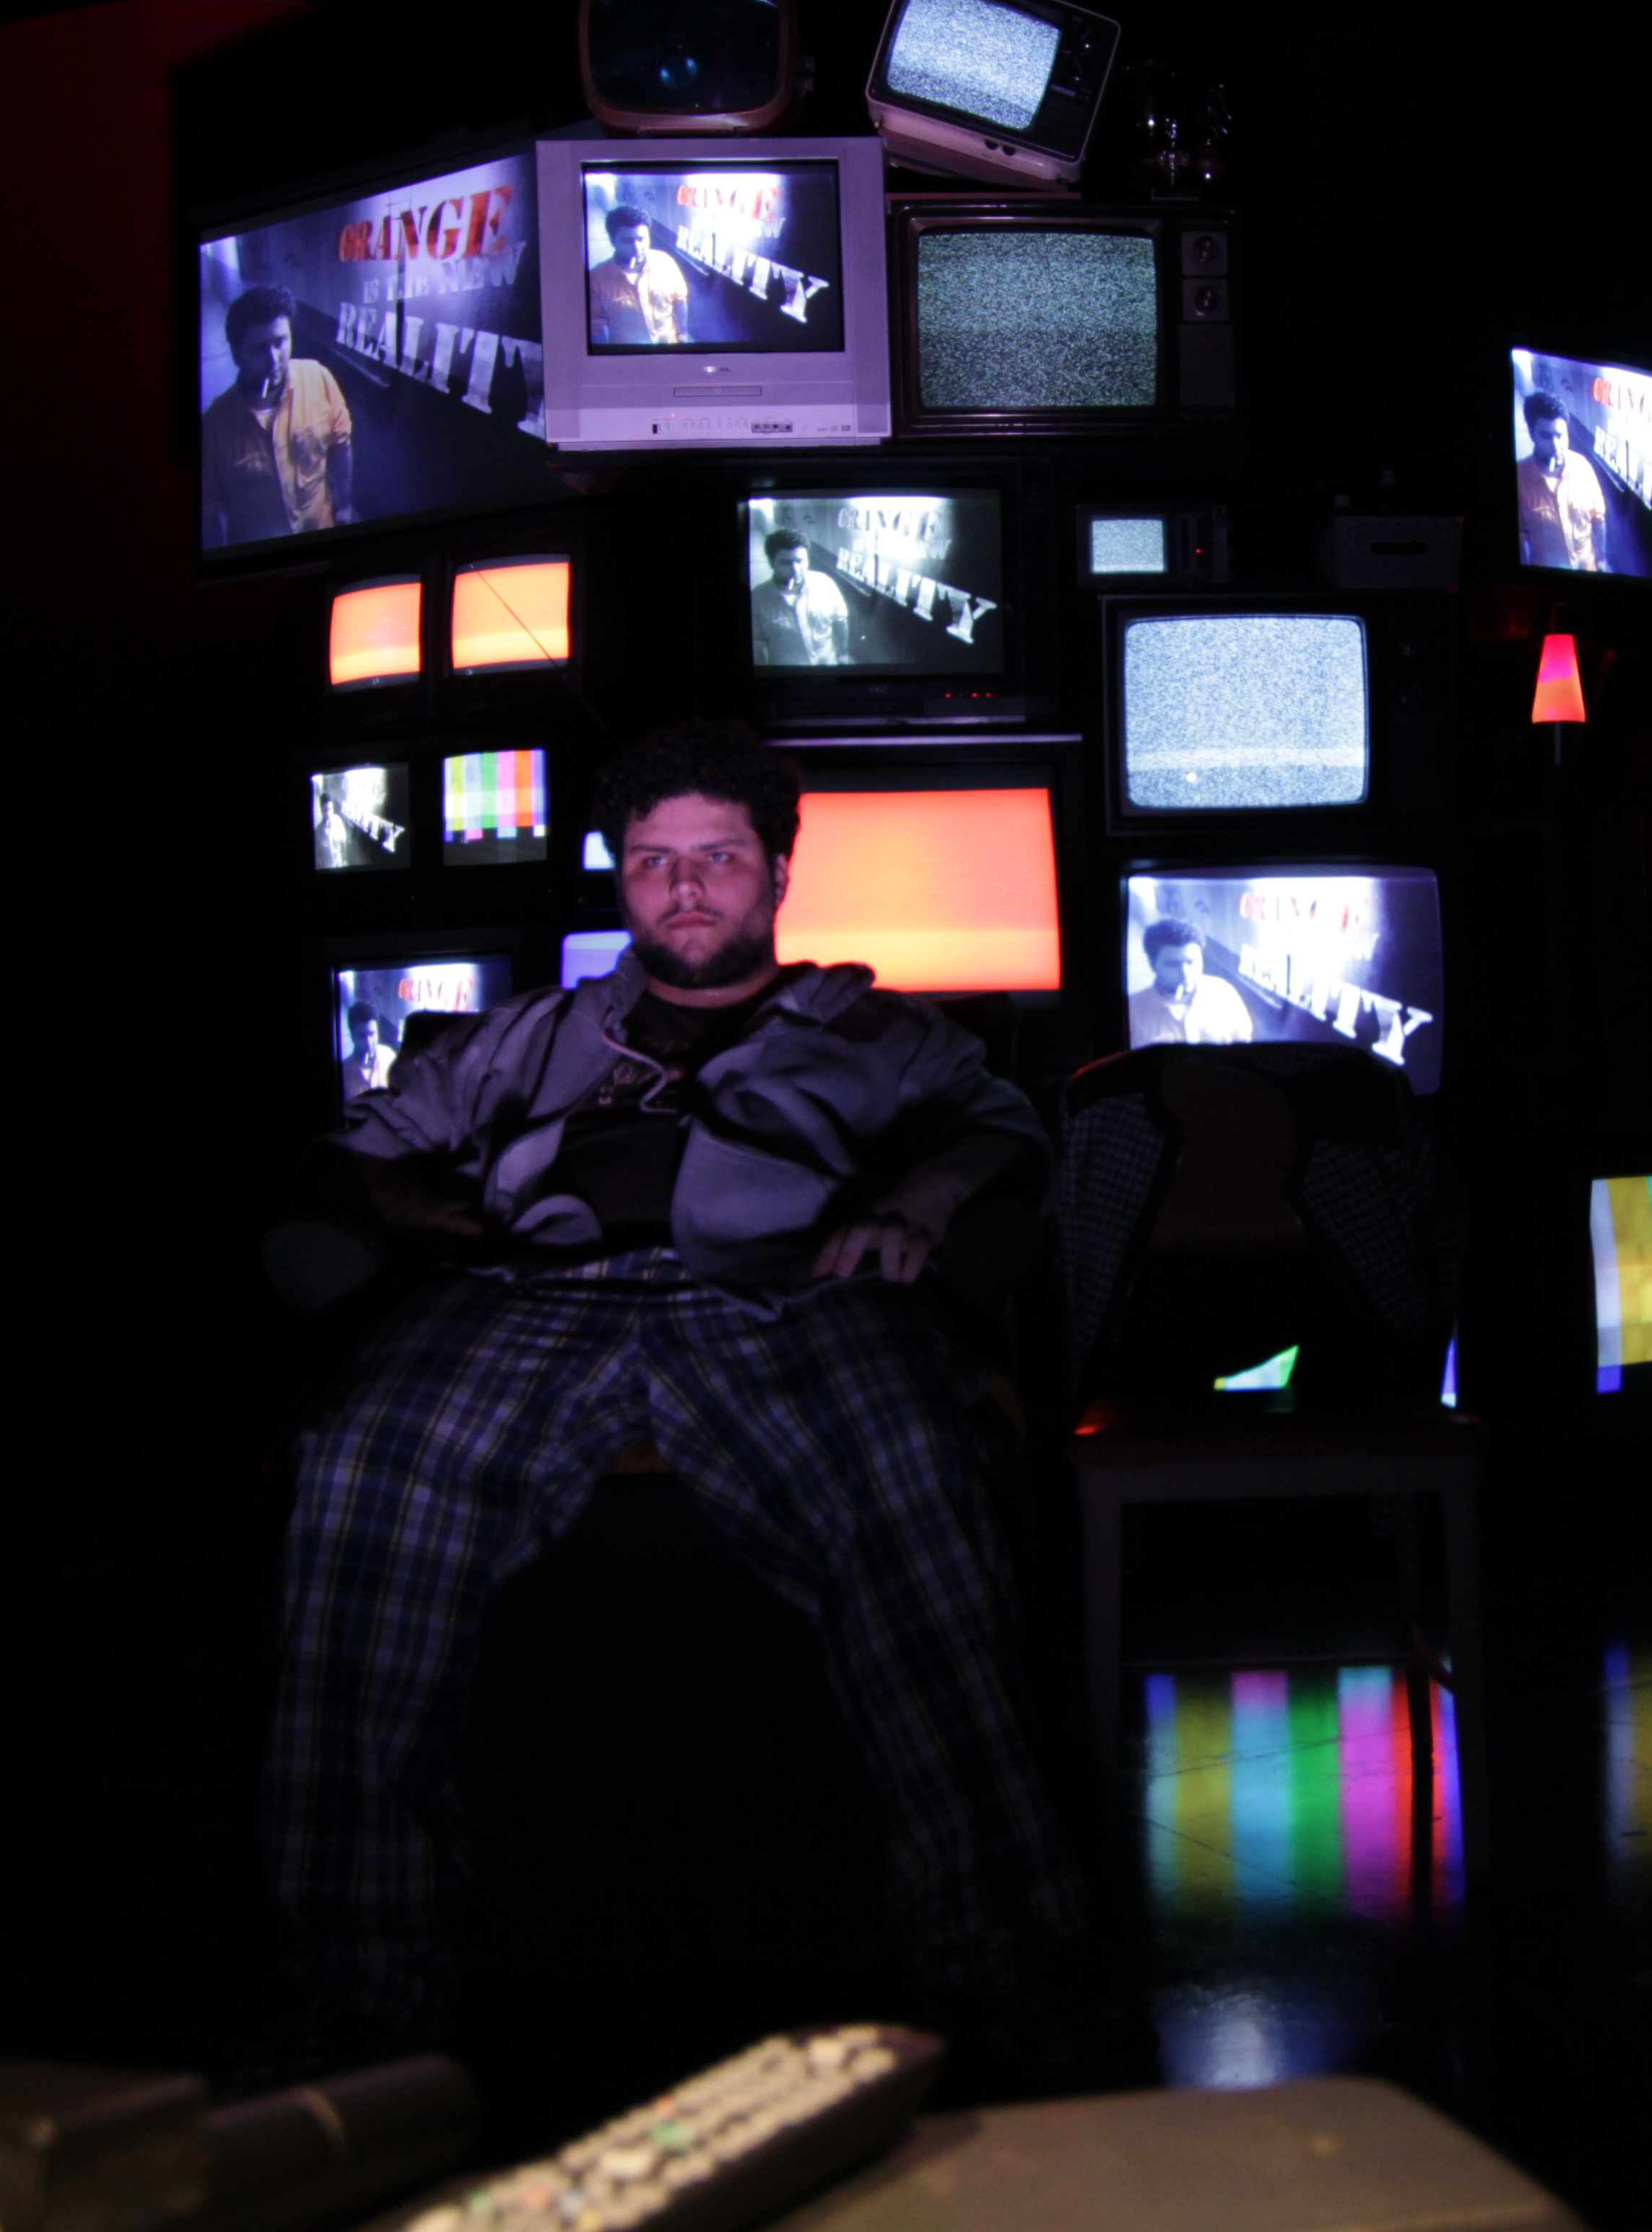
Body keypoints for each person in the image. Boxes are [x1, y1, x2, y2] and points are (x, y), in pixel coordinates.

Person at [266, 721, 1084, 2061]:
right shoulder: (530, 1033)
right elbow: (353, 1147)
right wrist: (424, 1216)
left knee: (909, 1472)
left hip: (788, 1293)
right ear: (620, 875)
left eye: (717, 857)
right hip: (531, 1293)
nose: (685, 886)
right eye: (653, 860)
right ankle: (359, 1998)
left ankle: (1004, 1969)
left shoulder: (874, 1028)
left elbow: (1002, 1124)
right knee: (357, 1458)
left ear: (778, 872)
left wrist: (922, 1198)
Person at [202, 284, 355, 549]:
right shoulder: (214, 426)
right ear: (237, 354)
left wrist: (344, 506)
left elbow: (341, 446)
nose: (274, 360)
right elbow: (209, 512)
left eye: (280, 342)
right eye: (259, 349)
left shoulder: (319, 379)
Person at [1514, 390, 1609, 573]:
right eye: (1546, 436)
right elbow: (1520, 537)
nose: (1556, 446)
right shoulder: (1519, 478)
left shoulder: (1583, 467)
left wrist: (1602, 560)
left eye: (1560, 435)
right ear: (1532, 435)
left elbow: (1598, 518)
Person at [1125, 918, 1254, 1049]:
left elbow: (1244, 1044)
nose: (1185, 974)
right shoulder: (1132, 1011)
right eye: (1173, 965)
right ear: (1153, 965)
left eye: (1191, 962)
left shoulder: (1224, 993)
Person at [748, 526, 855, 668]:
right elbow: (756, 644)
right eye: (786, 563)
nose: (795, 570)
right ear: (771, 563)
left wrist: (843, 654)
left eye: (800, 561)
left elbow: (840, 621)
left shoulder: (825, 583)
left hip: (828, 668)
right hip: (789, 676)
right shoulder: (757, 598)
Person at [586, 205, 692, 346]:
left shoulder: (666, 263)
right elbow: (596, 326)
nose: (637, 248)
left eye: (641, 239)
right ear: (612, 241)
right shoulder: (597, 280)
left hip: (669, 348)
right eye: (627, 241)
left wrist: (683, 333)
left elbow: (680, 300)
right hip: (628, 356)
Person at [312, 765, 403, 871]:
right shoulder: (318, 832)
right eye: (326, 810)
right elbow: (317, 854)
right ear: (322, 810)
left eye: (331, 809)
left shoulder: (338, 822)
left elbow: (344, 843)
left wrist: (344, 861)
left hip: (339, 866)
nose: (329, 813)